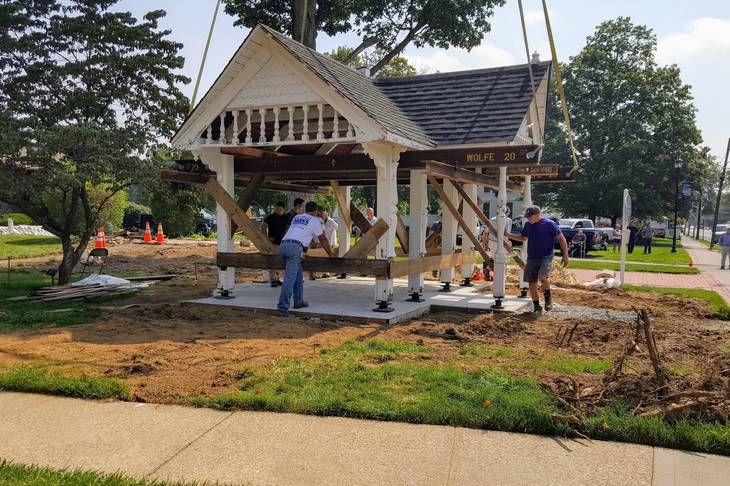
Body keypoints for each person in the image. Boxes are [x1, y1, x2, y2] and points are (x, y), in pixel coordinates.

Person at [507, 206, 569, 313]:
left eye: (529, 217)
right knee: (531, 283)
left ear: (537, 215)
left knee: (542, 277)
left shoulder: (549, 224)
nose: (528, 219)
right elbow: (524, 238)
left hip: (546, 256)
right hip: (532, 257)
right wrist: (509, 235)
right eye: (527, 217)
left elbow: (561, 238)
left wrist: (565, 255)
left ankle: (548, 298)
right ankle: (536, 306)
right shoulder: (528, 225)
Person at [277, 202, 334, 316]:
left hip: (283, 245)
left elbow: (298, 231)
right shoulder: (315, 220)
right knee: (289, 278)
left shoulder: (297, 217)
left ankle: (298, 301)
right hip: (295, 248)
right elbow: (322, 239)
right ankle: (282, 308)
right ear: (316, 211)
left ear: (306, 209)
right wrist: (331, 255)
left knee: (298, 274)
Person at [260, 201, 288, 287]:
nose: (278, 210)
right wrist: (266, 239)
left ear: (283, 209)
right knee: (273, 261)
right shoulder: (270, 217)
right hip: (273, 243)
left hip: (284, 243)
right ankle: (273, 280)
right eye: (276, 209)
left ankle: (277, 278)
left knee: (281, 262)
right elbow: (262, 226)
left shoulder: (286, 217)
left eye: (280, 209)